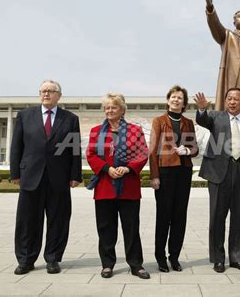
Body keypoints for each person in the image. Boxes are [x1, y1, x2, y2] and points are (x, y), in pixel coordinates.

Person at [10, 80, 82, 275]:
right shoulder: (25, 116)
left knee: (58, 220)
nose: (47, 94)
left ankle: (53, 258)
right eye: (43, 91)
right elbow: (16, 146)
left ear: (59, 95)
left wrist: (75, 175)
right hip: (30, 176)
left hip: (58, 178)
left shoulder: (70, 119)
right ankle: (26, 259)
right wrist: (15, 173)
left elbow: (75, 149)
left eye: (51, 91)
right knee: (27, 221)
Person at [86, 93, 150, 280]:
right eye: (106, 107)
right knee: (106, 228)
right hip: (105, 186)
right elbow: (91, 154)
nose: (109, 110)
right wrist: (107, 168)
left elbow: (142, 153)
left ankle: (136, 265)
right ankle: (107, 264)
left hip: (128, 185)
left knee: (131, 228)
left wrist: (128, 168)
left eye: (113, 107)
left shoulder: (135, 130)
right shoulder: (97, 131)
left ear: (122, 110)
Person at [194, 88, 240, 273]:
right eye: (229, 98)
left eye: (236, 99)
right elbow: (202, 120)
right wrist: (202, 109)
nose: (232, 102)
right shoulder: (215, 117)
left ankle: (238, 259)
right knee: (217, 216)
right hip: (218, 172)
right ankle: (218, 259)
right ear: (225, 101)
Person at [149, 85, 199, 273]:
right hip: (165, 172)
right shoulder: (159, 120)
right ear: (168, 100)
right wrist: (154, 176)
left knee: (180, 215)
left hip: (184, 172)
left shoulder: (188, 122)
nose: (176, 100)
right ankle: (160, 257)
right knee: (164, 216)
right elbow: (152, 151)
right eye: (173, 97)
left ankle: (174, 256)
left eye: (180, 98)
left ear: (184, 103)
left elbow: (194, 148)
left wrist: (187, 150)